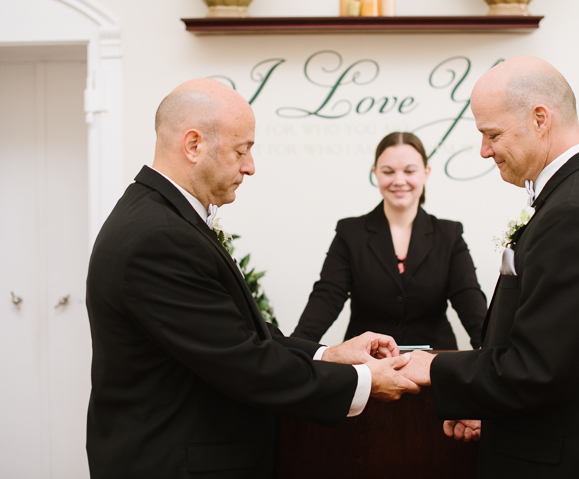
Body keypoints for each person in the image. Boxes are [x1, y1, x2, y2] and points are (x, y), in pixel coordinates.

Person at [85, 79, 420, 479]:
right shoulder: (157, 236)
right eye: (241, 150)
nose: (250, 166)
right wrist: (362, 380)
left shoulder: (162, 217)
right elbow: (241, 362)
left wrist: (329, 354)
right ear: (193, 145)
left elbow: (238, 333)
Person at [401, 56, 579, 478]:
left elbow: (538, 370)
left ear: (540, 118)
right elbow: (567, 357)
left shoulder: (573, 213)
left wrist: (433, 366)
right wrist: (483, 404)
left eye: (492, 134)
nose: (485, 150)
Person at [291, 132, 487, 350]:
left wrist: (492, 353)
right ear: (375, 173)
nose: (399, 180)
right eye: (388, 171)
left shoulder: (449, 235)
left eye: (410, 171)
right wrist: (294, 352)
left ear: (426, 173)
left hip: (434, 365)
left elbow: (469, 301)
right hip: (367, 365)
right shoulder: (350, 233)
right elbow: (327, 297)